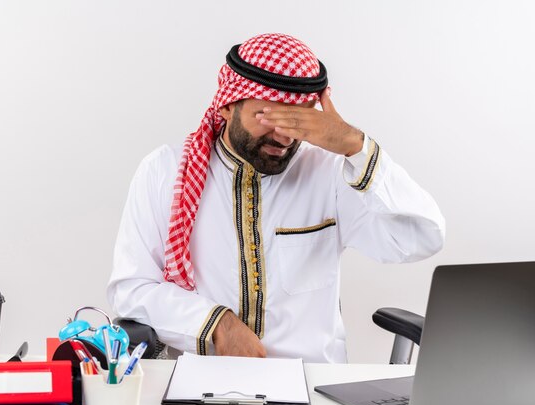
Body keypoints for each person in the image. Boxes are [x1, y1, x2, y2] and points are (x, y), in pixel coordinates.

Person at [107, 33, 445, 363]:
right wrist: (215, 324)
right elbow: (132, 289)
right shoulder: (164, 171)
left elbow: (419, 239)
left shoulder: (333, 174)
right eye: (268, 116)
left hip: (313, 388)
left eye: (298, 120)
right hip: (205, 386)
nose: (284, 135)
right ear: (227, 105)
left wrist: (358, 149)